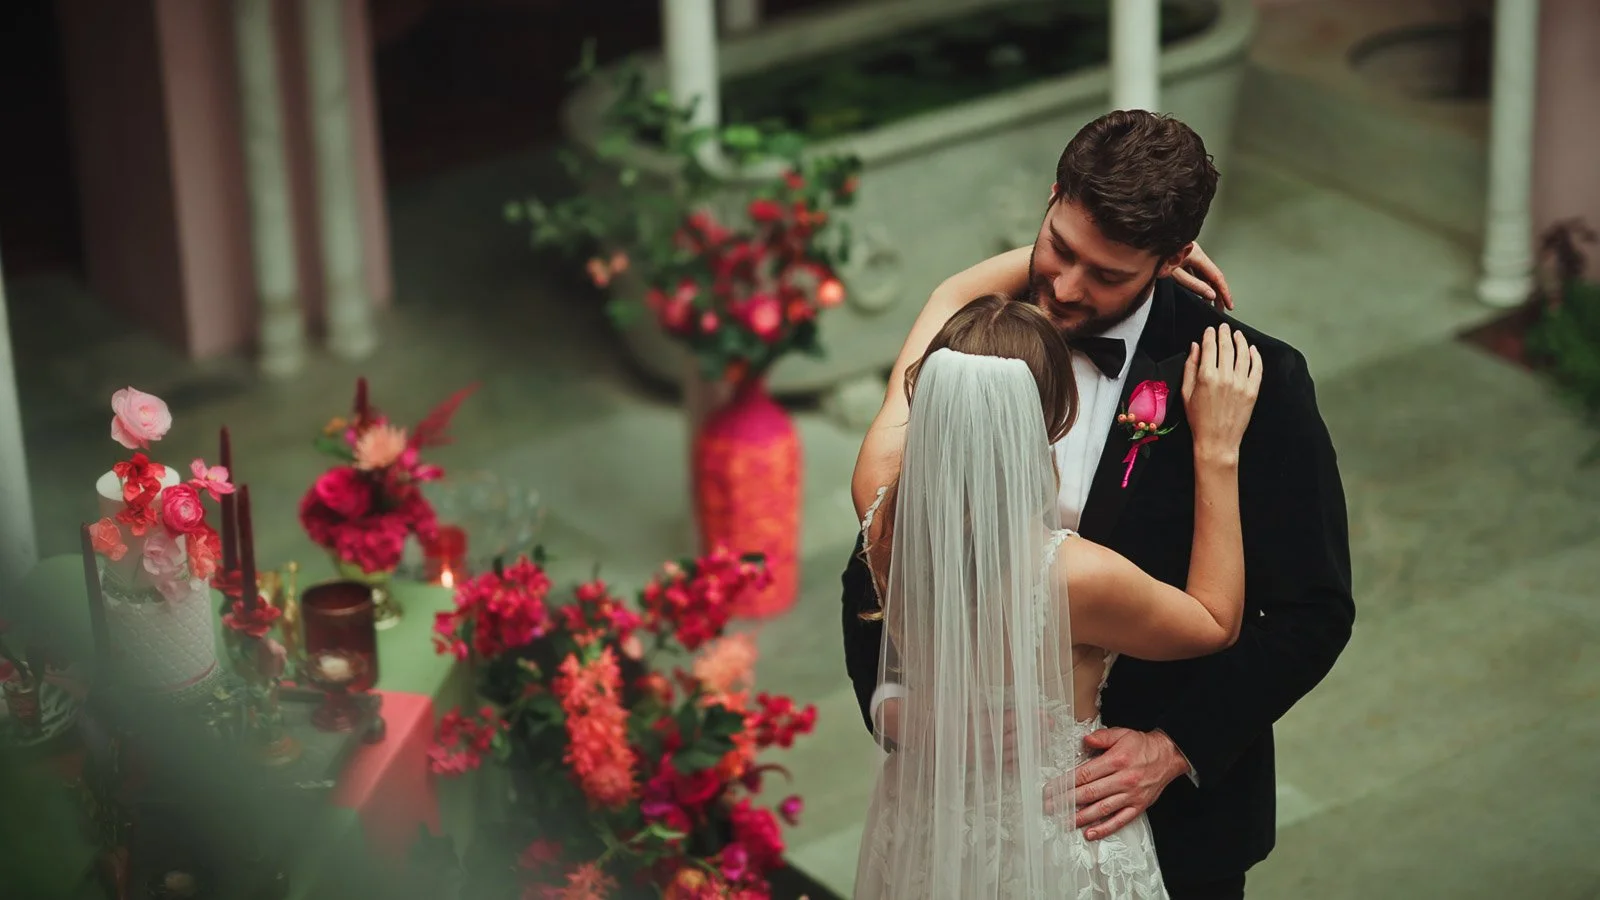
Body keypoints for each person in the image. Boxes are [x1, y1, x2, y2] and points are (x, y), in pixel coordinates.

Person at [839, 110, 1355, 899]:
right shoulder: (976, 348)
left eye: (1109, 273)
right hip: (962, 815)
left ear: (1175, 257)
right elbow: (878, 568)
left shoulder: (1251, 379)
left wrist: (1176, 746)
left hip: (1170, 831)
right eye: (1059, 248)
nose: (1067, 288)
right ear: (1051, 200)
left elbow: (1313, 611)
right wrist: (897, 707)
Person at [851, 295, 1262, 898]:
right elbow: (1215, 621)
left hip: (926, 819)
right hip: (1050, 833)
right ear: (1054, 419)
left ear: (925, 396)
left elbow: (941, 298)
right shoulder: (1070, 575)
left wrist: (1047, 249)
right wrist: (1217, 450)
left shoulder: (881, 509)